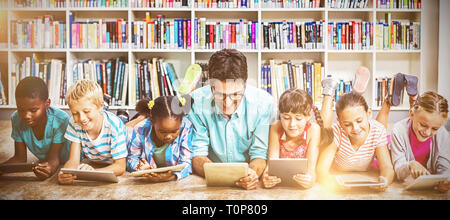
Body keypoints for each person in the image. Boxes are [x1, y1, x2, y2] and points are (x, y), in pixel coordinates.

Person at [188, 49, 276, 190]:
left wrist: (252, 174)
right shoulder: (195, 102)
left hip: (248, 183)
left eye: (235, 95)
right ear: (210, 86)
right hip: (208, 182)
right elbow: (197, 155)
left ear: (245, 85)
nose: (227, 104)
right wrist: (223, 175)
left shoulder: (264, 104)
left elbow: (260, 154)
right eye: (220, 95)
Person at [317, 68, 395, 192]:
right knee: (323, 131)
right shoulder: (337, 130)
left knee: (378, 126)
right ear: (340, 122)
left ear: (369, 114)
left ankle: (387, 100)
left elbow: (387, 167)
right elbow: (321, 169)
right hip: (338, 175)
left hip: (366, 175)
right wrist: (330, 182)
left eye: (359, 121)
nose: (355, 128)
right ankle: (328, 92)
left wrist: (385, 180)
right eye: (347, 124)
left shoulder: (377, 130)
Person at [58, 80, 127, 185]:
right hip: (96, 158)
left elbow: (120, 167)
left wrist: (93, 173)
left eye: (86, 111)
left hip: (125, 148)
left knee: (129, 127)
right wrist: (66, 173)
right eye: (75, 113)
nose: (82, 118)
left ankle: (132, 116)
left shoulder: (114, 125)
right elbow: (73, 160)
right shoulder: (74, 122)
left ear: (100, 106)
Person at [0, 77, 70, 180]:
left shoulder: (60, 120)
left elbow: (54, 158)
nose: (26, 116)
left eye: (33, 110)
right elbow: (20, 158)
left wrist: (50, 168)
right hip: (46, 160)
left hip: (69, 158)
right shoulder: (16, 119)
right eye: (21, 109)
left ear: (47, 104)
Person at [390, 91, 450, 192]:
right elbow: (399, 171)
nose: (427, 132)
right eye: (423, 125)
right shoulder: (398, 130)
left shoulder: (442, 133)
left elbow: (445, 166)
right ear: (412, 114)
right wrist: (410, 165)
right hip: (406, 184)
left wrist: (445, 181)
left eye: (434, 128)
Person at [262, 89, 321, 189]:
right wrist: (266, 177)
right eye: (286, 118)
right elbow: (271, 165)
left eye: (298, 118)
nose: (292, 124)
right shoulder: (276, 127)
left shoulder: (313, 129)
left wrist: (310, 180)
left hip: (301, 190)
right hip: (279, 188)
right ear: (279, 113)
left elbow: (311, 170)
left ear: (309, 115)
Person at [126, 95, 194, 182]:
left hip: (172, 180)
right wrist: (140, 168)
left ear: (181, 122)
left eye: (174, 131)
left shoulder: (185, 127)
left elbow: (187, 162)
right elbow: (131, 158)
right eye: (162, 132)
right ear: (151, 121)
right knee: (126, 130)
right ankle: (125, 117)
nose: (168, 136)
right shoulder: (140, 129)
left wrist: (172, 177)